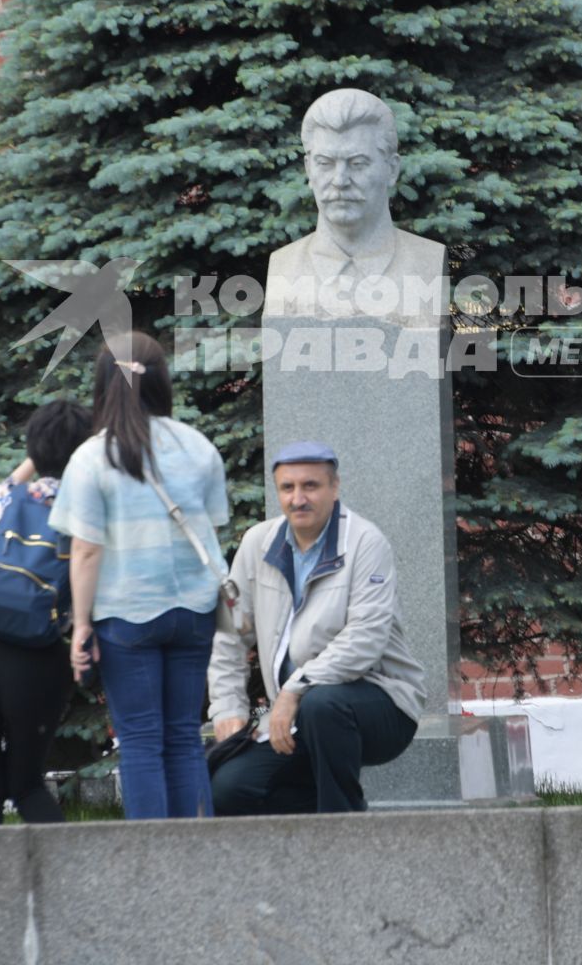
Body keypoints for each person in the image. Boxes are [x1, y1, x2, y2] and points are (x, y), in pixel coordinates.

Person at [54, 333, 229, 819]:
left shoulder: (92, 457)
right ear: (160, 382)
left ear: (104, 385)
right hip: (194, 612)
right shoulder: (198, 447)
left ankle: (153, 867)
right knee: (183, 738)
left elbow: (86, 550)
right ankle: (198, 853)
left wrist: (82, 626)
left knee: (140, 742)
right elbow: (212, 526)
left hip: (125, 615)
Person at [208, 442, 425, 815]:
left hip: (382, 702)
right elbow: (229, 633)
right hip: (297, 716)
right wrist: (228, 707)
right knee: (228, 789)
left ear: (334, 488)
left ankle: (341, 828)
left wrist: (293, 691)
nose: (298, 499)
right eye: (287, 488)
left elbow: (365, 638)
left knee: (324, 704)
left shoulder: (364, 542)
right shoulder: (257, 543)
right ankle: (314, 829)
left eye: (311, 486)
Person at [0, 399, 92, 825]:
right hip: (38, 660)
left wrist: (39, 451)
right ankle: (69, 891)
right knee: (28, 787)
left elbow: (7, 485)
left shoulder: (1, 501)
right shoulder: (89, 515)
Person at [264, 88, 447, 328]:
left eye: (358, 163)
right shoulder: (284, 269)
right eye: (325, 163)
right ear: (309, 169)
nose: (340, 180)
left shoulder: (426, 265)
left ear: (391, 169)